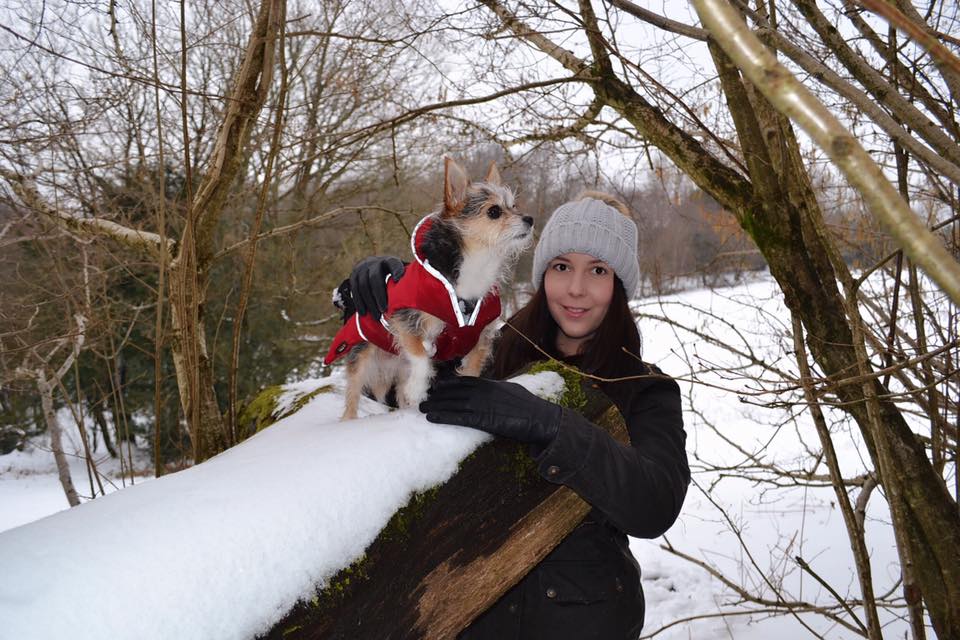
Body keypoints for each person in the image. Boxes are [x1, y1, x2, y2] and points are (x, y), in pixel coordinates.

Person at [347, 192, 689, 639]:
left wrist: (551, 424)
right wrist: (382, 306)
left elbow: (654, 506)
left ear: (619, 285)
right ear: (542, 273)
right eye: (562, 266)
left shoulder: (643, 388)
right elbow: (401, 398)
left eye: (598, 271)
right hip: (473, 614)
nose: (576, 289)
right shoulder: (487, 353)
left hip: (585, 623)